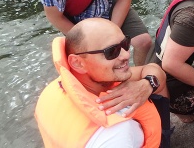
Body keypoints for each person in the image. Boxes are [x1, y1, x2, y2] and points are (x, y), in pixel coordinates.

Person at [35, 18, 168, 148]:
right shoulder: (117, 132)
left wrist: (147, 84)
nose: (126, 55)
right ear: (77, 63)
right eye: (112, 51)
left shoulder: (52, 91)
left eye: (125, 44)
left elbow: (154, 70)